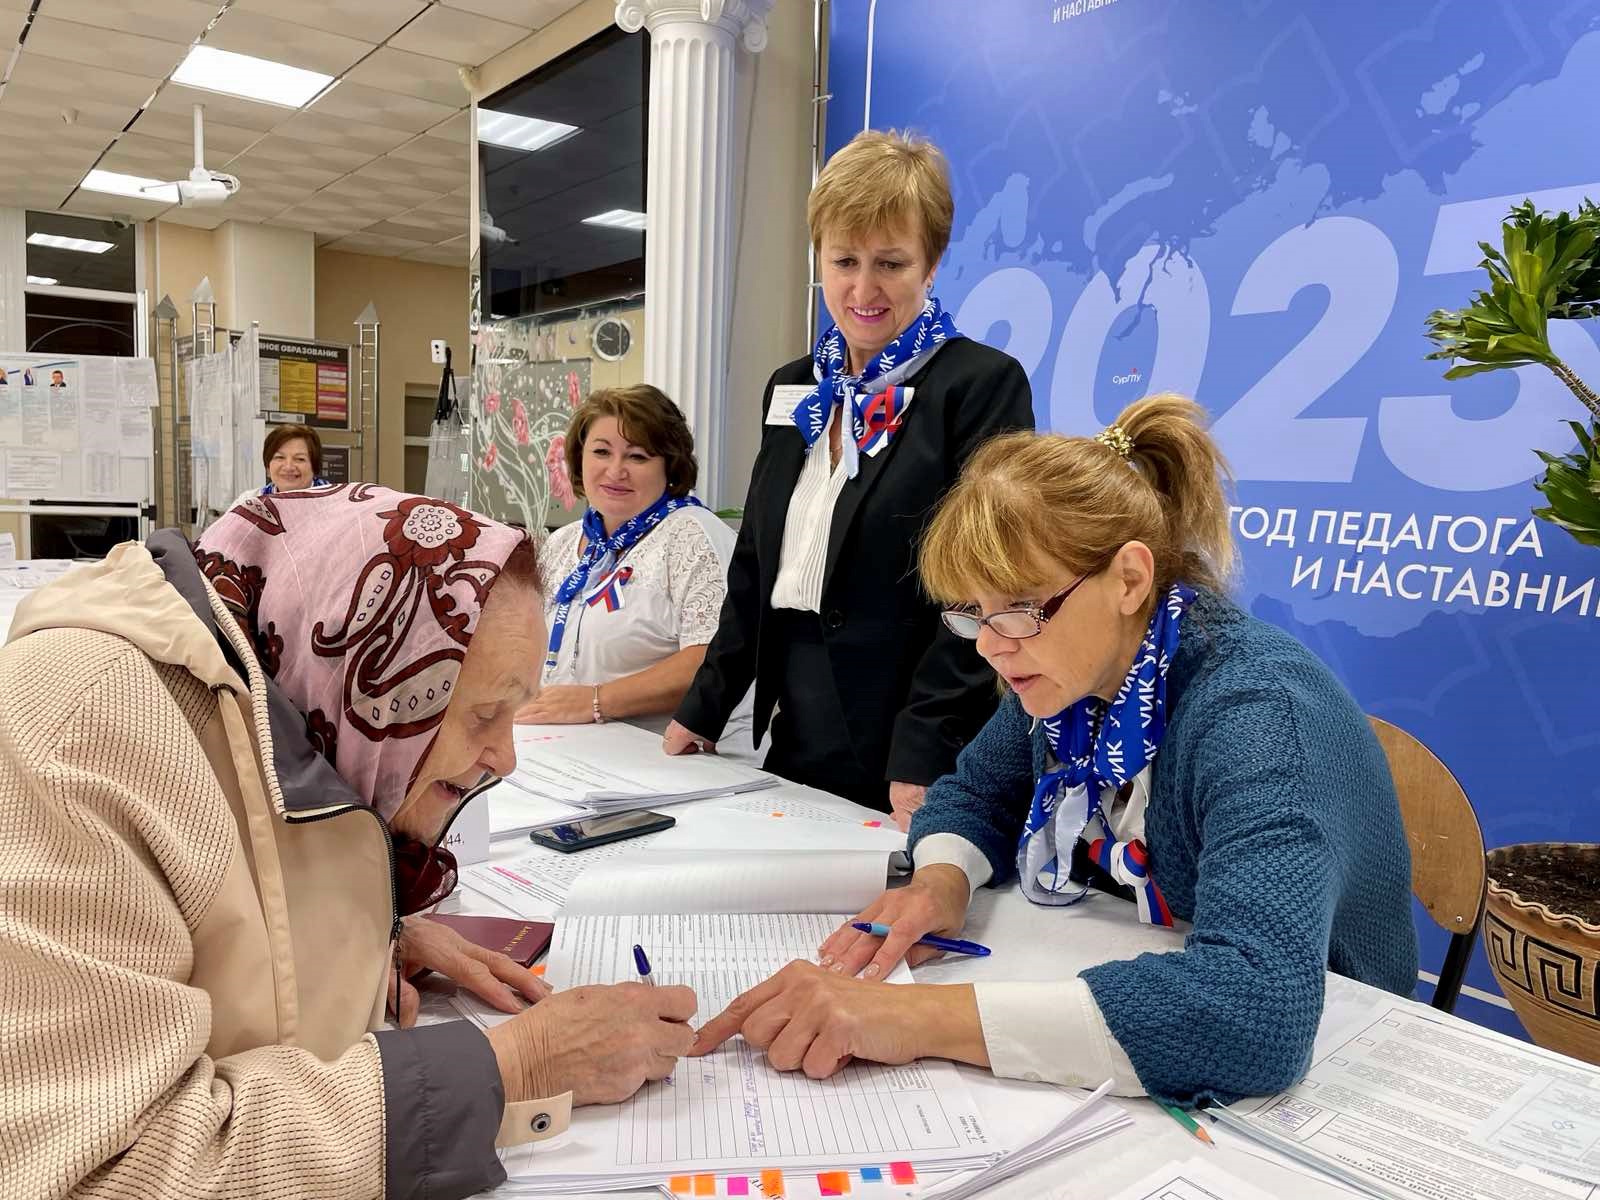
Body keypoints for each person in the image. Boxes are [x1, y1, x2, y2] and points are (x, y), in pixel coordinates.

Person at [690, 396, 1419, 1106]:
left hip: (1341, 1059)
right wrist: (939, 883)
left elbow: (1254, 1013)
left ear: (1130, 579)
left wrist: (908, 1018)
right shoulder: (1077, 673)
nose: (994, 647)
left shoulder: (1260, 718)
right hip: (1150, 978)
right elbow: (975, 792)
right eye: (973, 612)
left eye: (1021, 606)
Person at [0, 485, 698, 1198]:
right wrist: (513, 1068)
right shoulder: (86, 732)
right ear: (375, 683)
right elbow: (108, 1168)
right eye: (485, 714)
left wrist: (365, 935)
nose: (505, 757)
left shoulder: (283, 706)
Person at [664, 130, 1034, 821]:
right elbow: (755, 563)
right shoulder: (794, 386)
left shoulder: (978, 385)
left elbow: (988, 589)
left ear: (932, 264)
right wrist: (704, 706)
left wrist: (924, 748)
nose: (863, 289)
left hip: (914, 733)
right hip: (796, 725)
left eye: (891, 263)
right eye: (844, 261)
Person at [519, 386, 755, 756]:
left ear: (670, 466)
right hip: (574, 751)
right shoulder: (564, 542)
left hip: (678, 757)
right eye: (601, 452)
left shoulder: (692, 535)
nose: (616, 471)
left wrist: (596, 701)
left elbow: (714, 659)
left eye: (638, 456)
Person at [231, 423, 330, 509]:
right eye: (279, 457)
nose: (288, 467)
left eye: (299, 459)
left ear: (314, 466)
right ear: (268, 467)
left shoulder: (336, 502)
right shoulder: (249, 503)